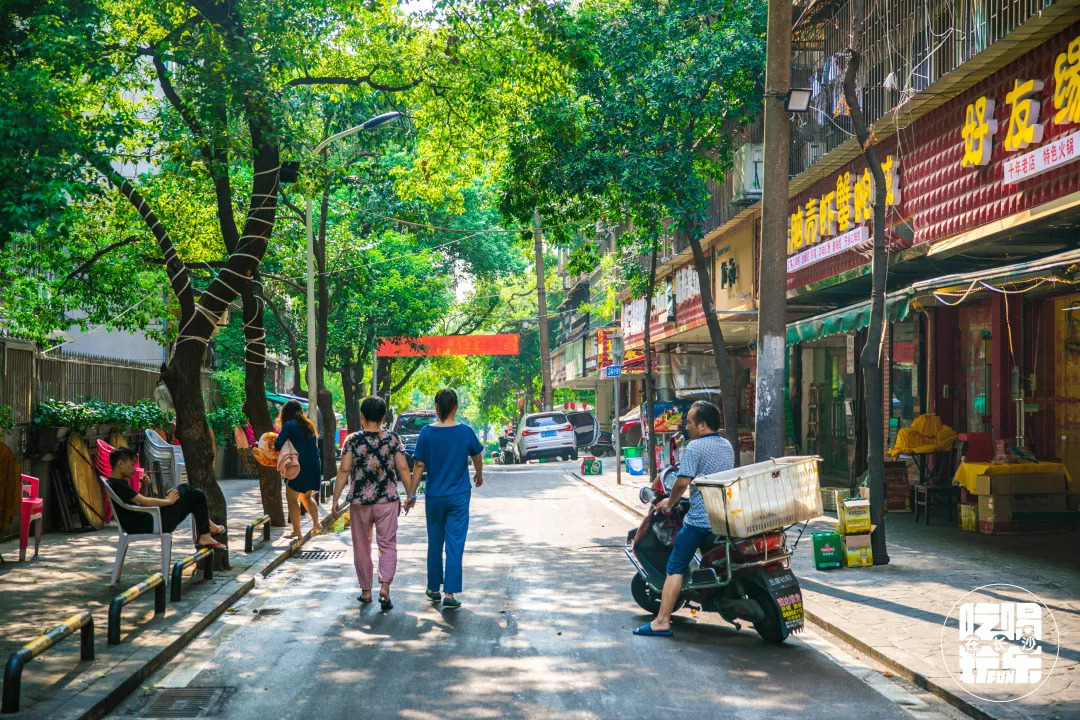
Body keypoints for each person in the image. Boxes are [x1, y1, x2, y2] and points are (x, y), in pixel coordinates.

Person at [633, 400, 734, 637]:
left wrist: (670, 502)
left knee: (675, 567)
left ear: (702, 425)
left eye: (689, 421)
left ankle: (661, 621)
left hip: (700, 521)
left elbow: (681, 482)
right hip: (723, 519)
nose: (685, 426)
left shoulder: (695, 448)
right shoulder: (726, 445)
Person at [332, 396, 411, 611]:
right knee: (387, 545)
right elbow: (403, 469)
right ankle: (385, 587)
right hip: (387, 500)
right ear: (384, 417)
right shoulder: (393, 439)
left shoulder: (352, 440)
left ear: (362, 416)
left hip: (360, 502)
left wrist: (336, 498)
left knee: (362, 546)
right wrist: (410, 493)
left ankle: (366, 591)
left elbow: (344, 470)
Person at [408, 389, 483, 609]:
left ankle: (433, 589)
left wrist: (411, 494)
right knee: (455, 544)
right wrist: (479, 474)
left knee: (435, 541)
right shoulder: (466, 432)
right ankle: (449, 594)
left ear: (437, 408)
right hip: (459, 495)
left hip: (435, 496)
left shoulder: (426, 433)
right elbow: (477, 456)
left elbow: (419, 466)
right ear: (456, 406)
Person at [106, 447, 225, 548]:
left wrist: (145, 486)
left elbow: (138, 502)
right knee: (196, 494)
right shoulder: (118, 485)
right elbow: (144, 502)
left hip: (148, 520)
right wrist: (168, 501)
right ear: (120, 464)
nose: (135, 468)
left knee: (184, 488)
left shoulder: (116, 483)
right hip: (150, 523)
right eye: (132, 464)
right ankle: (205, 534)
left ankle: (207, 529)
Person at [274, 400, 322, 538]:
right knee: (306, 496)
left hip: (299, 466)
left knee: (291, 498)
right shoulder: (308, 425)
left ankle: (297, 531)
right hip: (314, 464)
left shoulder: (289, 425)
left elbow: (278, 445)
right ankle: (316, 524)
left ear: (285, 413)